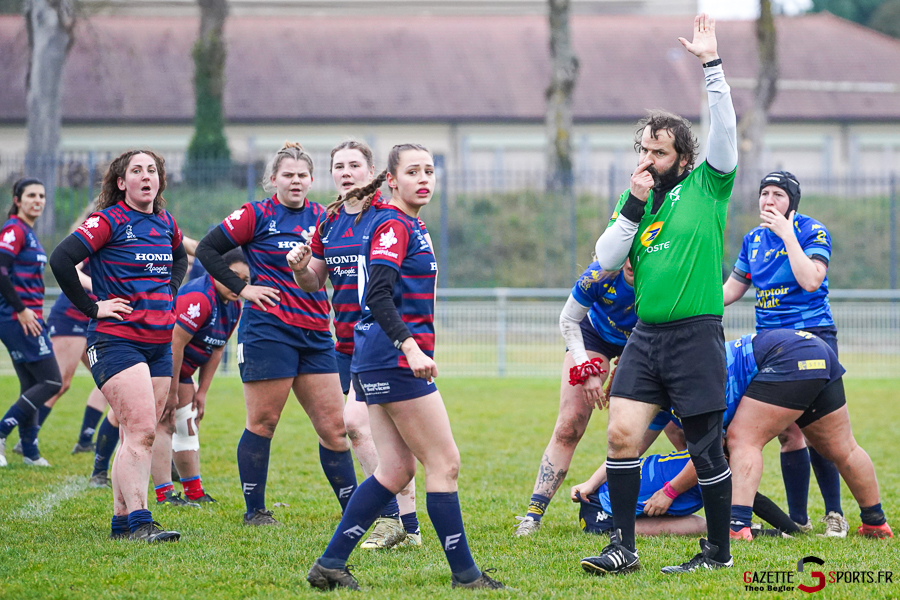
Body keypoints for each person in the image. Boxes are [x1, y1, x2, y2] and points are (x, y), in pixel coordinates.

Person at [300, 144, 504, 591]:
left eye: (430, 170)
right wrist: (410, 347)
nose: (424, 178)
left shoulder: (408, 222)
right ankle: (466, 577)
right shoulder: (393, 224)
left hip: (374, 358)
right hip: (392, 360)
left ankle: (331, 563)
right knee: (444, 463)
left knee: (394, 471)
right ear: (390, 180)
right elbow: (377, 295)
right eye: (413, 171)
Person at [583, 13, 738, 575]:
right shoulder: (637, 204)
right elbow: (604, 260)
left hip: (696, 334)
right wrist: (630, 203)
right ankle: (623, 548)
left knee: (705, 449)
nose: (648, 161)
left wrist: (712, 67)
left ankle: (716, 552)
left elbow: (724, 132)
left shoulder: (708, 185)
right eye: (643, 150)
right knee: (622, 435)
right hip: (645, 337)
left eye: (660, 153)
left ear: (684, 159)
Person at [194, 142, 356, 526]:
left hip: (317, 333)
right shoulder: (256, 214)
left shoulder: (324, 217)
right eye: (288, 175)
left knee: (336, 429)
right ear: (273, 180)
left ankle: (353, 510)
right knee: (264, 422)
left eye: (302, 175)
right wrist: (242, 288)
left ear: (312, 180)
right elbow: (207, 249)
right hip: (269, 331)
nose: (296, 181)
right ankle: (255, 511)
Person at [49, 149, 188, 542]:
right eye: (136, 171)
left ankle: (120, 524)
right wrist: (93, 308)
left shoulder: (165, 222)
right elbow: (61, 259)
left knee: (136, 434)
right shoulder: (109, 220)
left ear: (160, 181)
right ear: (121, 182)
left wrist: (171, 289)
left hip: (159, 344)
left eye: (152, 171)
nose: (146, 176)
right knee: (142, 431)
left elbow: (179, 259)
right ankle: (141, 523)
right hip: (116, 341)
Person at [291, 140, 421, 548]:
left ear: (372, 172)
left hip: (382, 339)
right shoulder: (329, 222)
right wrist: (299, 269)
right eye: (339, 166)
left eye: (354, 165)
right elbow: (315, 280)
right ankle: (409, 526)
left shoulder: (386, 218)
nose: (346, 173)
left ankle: (389, 519)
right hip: (345, 342)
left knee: (356, 425)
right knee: (382, 436)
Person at [723, 171, 847, 537]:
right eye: (764, 193)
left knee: (819, 431)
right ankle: (798, 519)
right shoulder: (753, 240)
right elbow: (732, 290)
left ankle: (835, 514)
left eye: (778, 194)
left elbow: (810, 279)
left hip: (815, 339)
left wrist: (787, 234)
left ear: (792, 201)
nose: (768, 201)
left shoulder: (811, 231)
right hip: (773, 346)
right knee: (789, 434)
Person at [723, 329, 892, 540]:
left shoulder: (687, 386)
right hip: (817, 348)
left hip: (788, 355)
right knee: (844, 447)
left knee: (743, 439)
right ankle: (875, 523)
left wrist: (670, 491)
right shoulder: (696, 363)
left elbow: (706, 455)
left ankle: (737, 526)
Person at [513, 259, 636, 536]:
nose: (630, 261)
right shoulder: (599, 274)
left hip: (641, 342)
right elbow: (568, 319)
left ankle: (726, 512)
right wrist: (586, 368)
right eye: (625, 253)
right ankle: (533, 516)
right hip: (593, 337)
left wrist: (626, 366)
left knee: (674, 429)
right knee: (570, 425)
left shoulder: (659, 277)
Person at [148, 247, 248, 506]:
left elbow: (217, 349)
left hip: (180, 372)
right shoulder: (199, 298)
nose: (238, 284)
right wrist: (170, 392)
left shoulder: (234, 305)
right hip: (157, 364)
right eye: (233, 276)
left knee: (186, 424)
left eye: (245, 281)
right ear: (217, 271)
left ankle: (194, 492)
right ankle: (164, 493)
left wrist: (202, 391)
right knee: (162, 424)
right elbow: (174, 345)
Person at [0, 178, 62, 467]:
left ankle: (30, 451)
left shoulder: (29, 232)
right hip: (18, 318)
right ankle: (2, 432)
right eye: (31, 195)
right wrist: (23, 310)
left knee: (32, 383)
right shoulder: (14, 230)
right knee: (51, 381)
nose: (38, 200)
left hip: (28, 317)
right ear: (17, 200)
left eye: (42, 195)